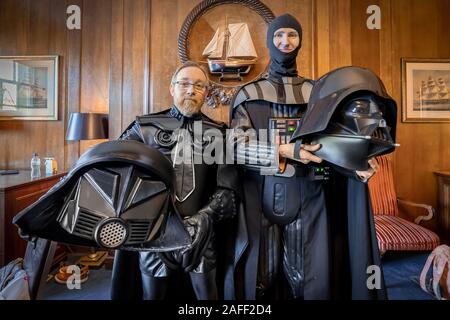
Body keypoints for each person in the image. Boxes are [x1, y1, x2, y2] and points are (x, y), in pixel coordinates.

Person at [225, 13, 385, 300]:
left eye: (292, 35)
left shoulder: (319, 92)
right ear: (269, 41)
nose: (285, 41)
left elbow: (336, 140)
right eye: (278, 35)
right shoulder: (248, 94)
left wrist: (355, 165)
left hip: (311, 194)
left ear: (300, 41)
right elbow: (235, 147)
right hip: (259, 197)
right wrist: (283, 151)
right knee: (261, 277)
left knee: (310, 279)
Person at [111, 61, 238, 300]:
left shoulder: (220, 133)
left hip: (201, 233)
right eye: (185, 83)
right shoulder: (143, 128)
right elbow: (115, 170)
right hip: (153, 233)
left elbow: (228, 189)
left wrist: (204, 218)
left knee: (208, 298)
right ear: (172, 89)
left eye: (199, 85)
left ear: (206, 93)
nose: (191, 90)